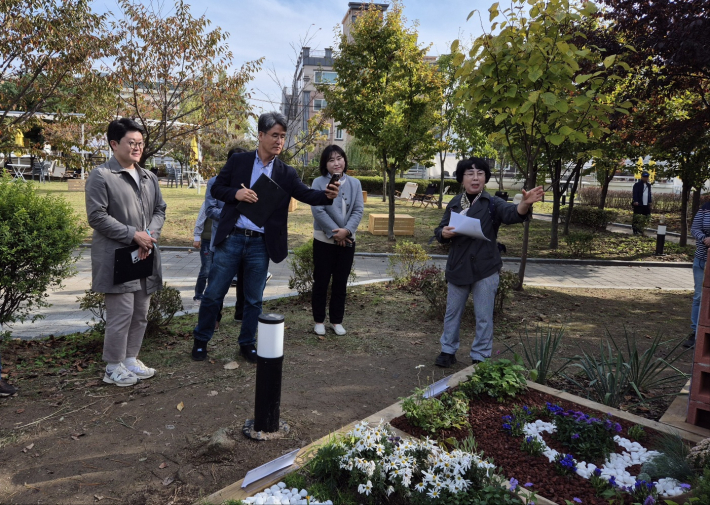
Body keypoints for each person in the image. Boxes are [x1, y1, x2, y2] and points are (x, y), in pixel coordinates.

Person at [191, 112, 339, 363]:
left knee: (253, 299)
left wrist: (327, 196)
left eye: (282, 136)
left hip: (261, 244)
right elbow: (216, 188)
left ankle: (247, 344)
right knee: (214, 293)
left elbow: (306, 195)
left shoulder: (286, 172)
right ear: (260, 136)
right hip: (232, 238)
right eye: (274, 135)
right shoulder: (239, 161)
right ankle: (201, 341)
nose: (279, 141)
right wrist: (236, 196)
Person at [433, 158, 544, 368]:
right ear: (461, 178)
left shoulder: (493, 203)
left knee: (484, 315)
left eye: (480, 173)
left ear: (485, 178)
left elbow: (512, 214)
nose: (475, 178)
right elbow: (440, 229)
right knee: (452, 313)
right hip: (458, 266)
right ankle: (448, 350)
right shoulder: (455, 202)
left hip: (485, 268)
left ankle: (480, 355)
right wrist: (443, 233)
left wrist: (524, 204)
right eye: (470, 173)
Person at [85, 118, 166, 386]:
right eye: (131, 143)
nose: (137, 148)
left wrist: (149, 236)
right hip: (118, 257)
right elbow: (96, 217)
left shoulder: (148, 176)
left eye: (140, 143)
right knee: (121, 314)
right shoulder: (102, 176)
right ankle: (112, 367)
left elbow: (159, 210)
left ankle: (130, 359)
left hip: (145, 253)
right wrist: (134, 234)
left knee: (140, 311)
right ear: (114, 144)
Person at [311, 145, 364, 336]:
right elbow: (318, 210)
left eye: (339, 158)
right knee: (321, 282)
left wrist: (346, 231)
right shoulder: (318, 182)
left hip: (347, 241)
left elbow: (358, 210)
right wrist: (336, 233)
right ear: (325, 164)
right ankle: (318, 320)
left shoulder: (355, 183)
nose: (336, 163)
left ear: (344, 161)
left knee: (340, 283)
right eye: (331, 159)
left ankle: (336, 321)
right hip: (324, 241)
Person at [687, 201, 710, 348]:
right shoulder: (705, 208)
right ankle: (695, 332)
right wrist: (703, 238)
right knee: (698, 296)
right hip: (701, 259)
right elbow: (694, 229)